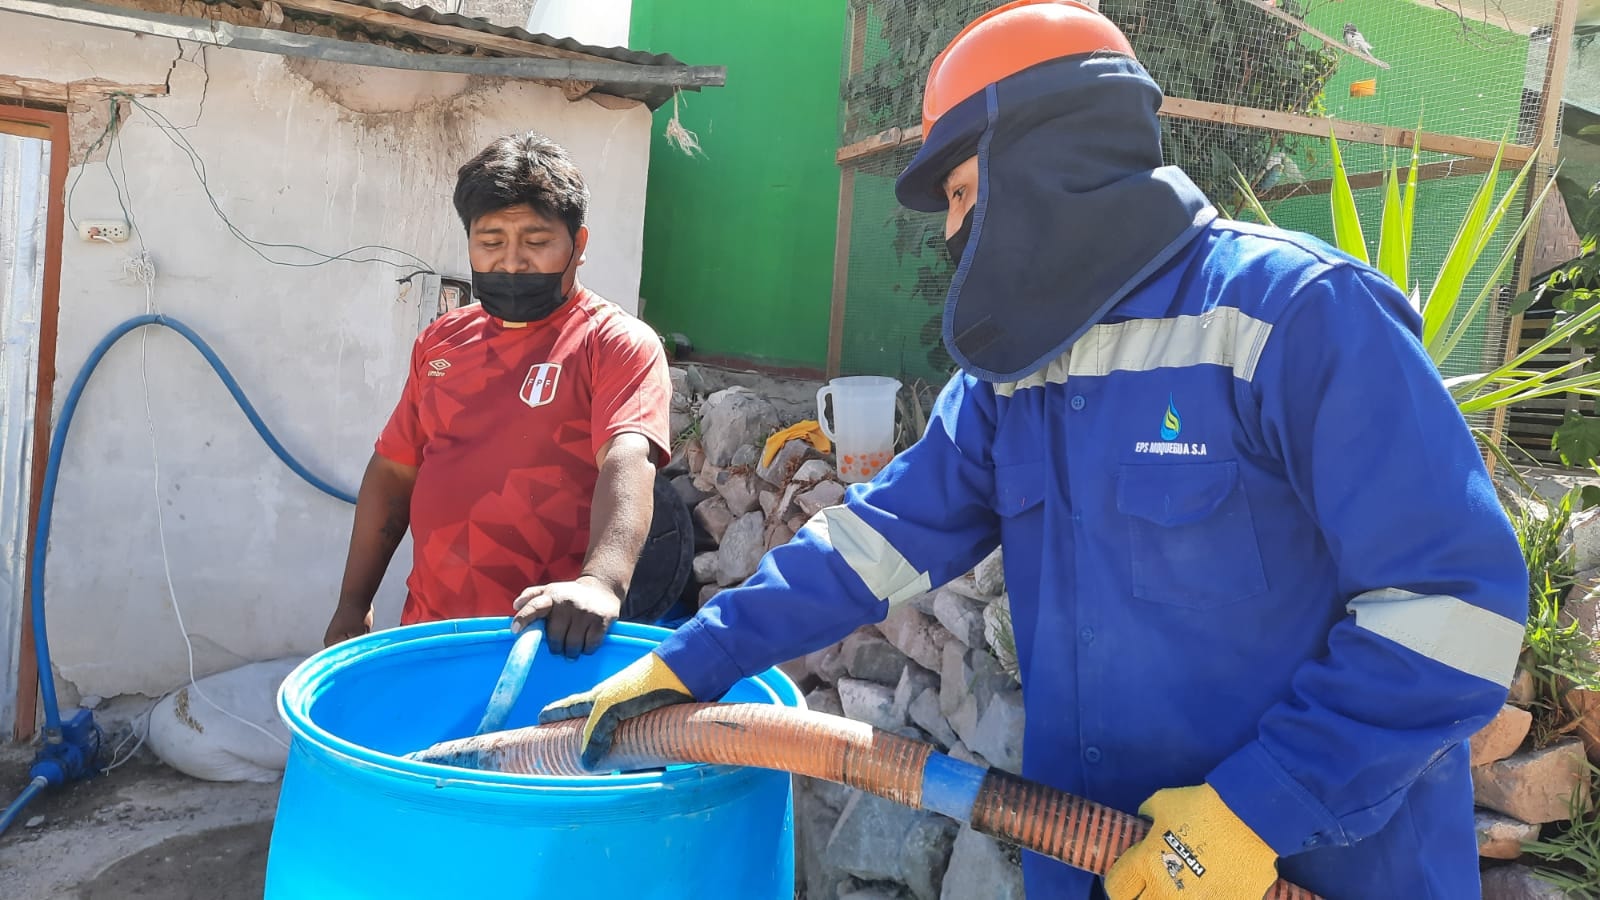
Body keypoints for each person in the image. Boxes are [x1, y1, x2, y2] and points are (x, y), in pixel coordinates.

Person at [539, 2, 1528, 898]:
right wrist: (692, 657)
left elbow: (1453, 609)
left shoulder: (1292, 317)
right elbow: (878, 542)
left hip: (1312, 869)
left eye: (964, 193)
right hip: (1101, 863)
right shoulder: (1014, 376)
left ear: (1047, 160)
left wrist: (1257, 809)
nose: (951, 232)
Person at [324, 131, 672, 660]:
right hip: (430, 637)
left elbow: (627, 458)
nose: (511, 262)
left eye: (536, 243)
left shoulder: (614, 342)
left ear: (578, 245)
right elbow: (395, 470)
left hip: (551, 644)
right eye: (490, 242)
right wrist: (354, 603)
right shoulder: (440, 341)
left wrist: (601, 583)